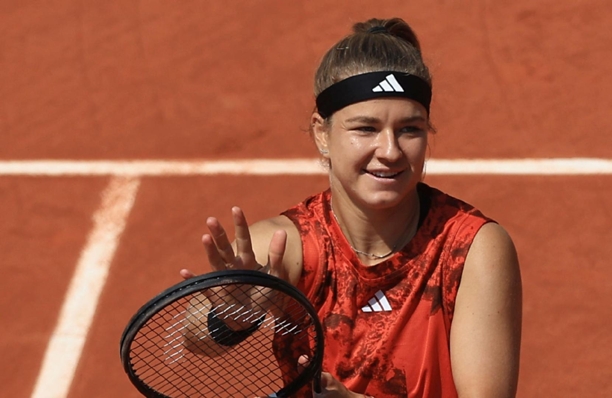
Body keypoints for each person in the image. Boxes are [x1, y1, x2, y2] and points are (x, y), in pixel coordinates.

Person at [180, 17, 522, 398]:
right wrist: (230, 319)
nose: (390, 151)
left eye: (410, 129)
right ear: (321, 133)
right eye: (365, 129)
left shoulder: (470, 248)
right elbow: (193, 335)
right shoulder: (291, 245)